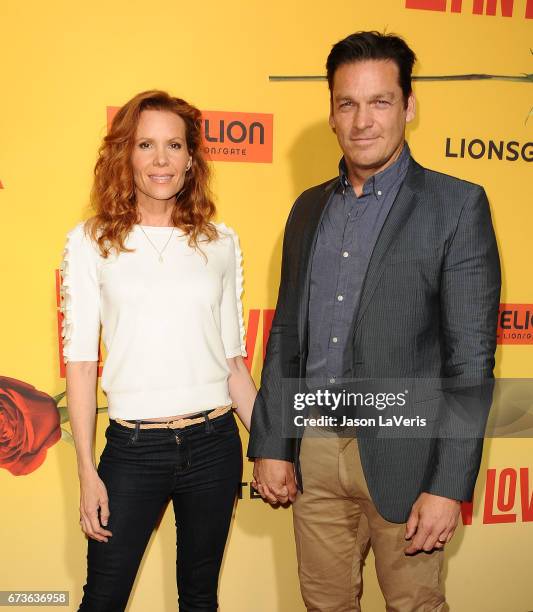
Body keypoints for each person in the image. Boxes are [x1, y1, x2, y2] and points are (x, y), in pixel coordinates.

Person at [248, 31, 501, 611]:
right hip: (314, 450)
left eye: (381, 101)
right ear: (331, 111)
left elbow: (470, 363)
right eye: (348, 103)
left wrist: (447, 487)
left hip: (409, 458)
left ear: (409, 106)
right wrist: (273, 442)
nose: (363, 121)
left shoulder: (456, 205)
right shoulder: (309, 207)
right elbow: (288, 333)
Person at [59, 89, 257, 611]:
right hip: (133, 450)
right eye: (146, 145)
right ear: (126, 155)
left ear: (192, 159)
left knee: (199, 599)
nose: (161, 159)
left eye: (174, 145)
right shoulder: (91, 242)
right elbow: (80, 363)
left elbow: (234, 362)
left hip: (215, 443)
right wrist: (86, 469)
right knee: (101, 600)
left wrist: (272, 447)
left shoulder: (221, 243)